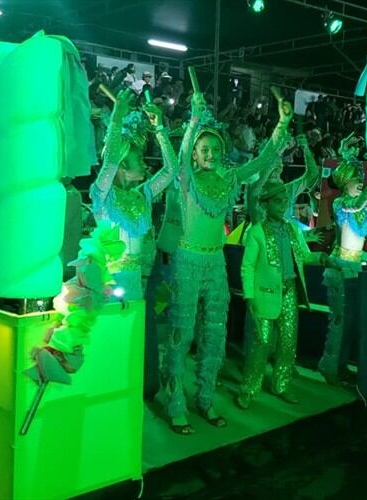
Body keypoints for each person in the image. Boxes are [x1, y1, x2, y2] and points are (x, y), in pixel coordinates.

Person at [163, 89, 293, 435]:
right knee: (182, 332)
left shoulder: (228, 179)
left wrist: (281, 124)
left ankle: (205, 398)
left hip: (216, 263)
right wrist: (193, 120)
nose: (210, 153)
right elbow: (179, 157)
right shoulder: (186, 180)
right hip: (188, 261)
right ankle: (175, 403)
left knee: (216, 333)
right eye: (204, 149)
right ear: (194, 153)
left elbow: (263, 161)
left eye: (216, 149)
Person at [90, 89, 179, 399]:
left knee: (135, 342)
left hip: (140, 285)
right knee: (110, 343)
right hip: (109, 283)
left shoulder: (143, 195)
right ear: (123, 168)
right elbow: (108, 162)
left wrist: (160, 128)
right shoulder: (104, 197)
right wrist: (117, 116)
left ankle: (132, 394)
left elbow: (172, 171)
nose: (144, 162)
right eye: (138, 158)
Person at [237, 180, 336, 409]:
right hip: (264, 294)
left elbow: (303, 255)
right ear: (266, 204)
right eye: (278, 202)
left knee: (288, 342)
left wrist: (322, 258)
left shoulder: (291, 229)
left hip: (290, 291)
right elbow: (247, 266)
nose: (283, 206)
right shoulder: (257, 231)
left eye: (285, 201)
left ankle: (281, 385)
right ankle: (249, 388)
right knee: (261, 343)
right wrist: (249, 295)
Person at [318, 139, 367, 385]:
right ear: (344, 183)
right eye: (356, 179)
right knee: (339, 321)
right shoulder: (343, 204)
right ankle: (329, 367)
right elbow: (357, 203)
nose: (360, 182)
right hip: (340, 266)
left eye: (361, 178)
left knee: (351, 321)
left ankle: (341, 366)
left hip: (355, 269)